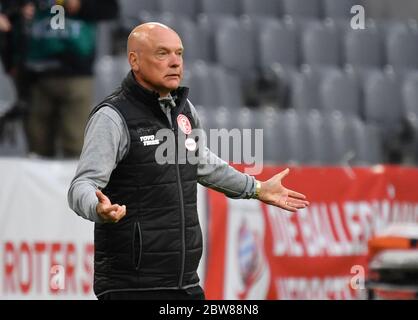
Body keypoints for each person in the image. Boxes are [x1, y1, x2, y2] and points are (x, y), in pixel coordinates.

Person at [68, 22, 309, 300]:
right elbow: (81, 185)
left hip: (185, 283)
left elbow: (203, 163)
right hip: (132, 286)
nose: (174, 63)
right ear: (134, 60)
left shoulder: (184, 110)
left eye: (179, 54)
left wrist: (255, 188)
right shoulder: (112, 117)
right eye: (162, 54)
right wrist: (97, 208)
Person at [18, 0, 118, 158]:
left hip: (75, 73)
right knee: (38, 148)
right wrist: (19, 10)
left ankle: (76, 182)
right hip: (37, 74)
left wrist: (82, 5)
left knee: (76, 147)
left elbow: (110, 9)